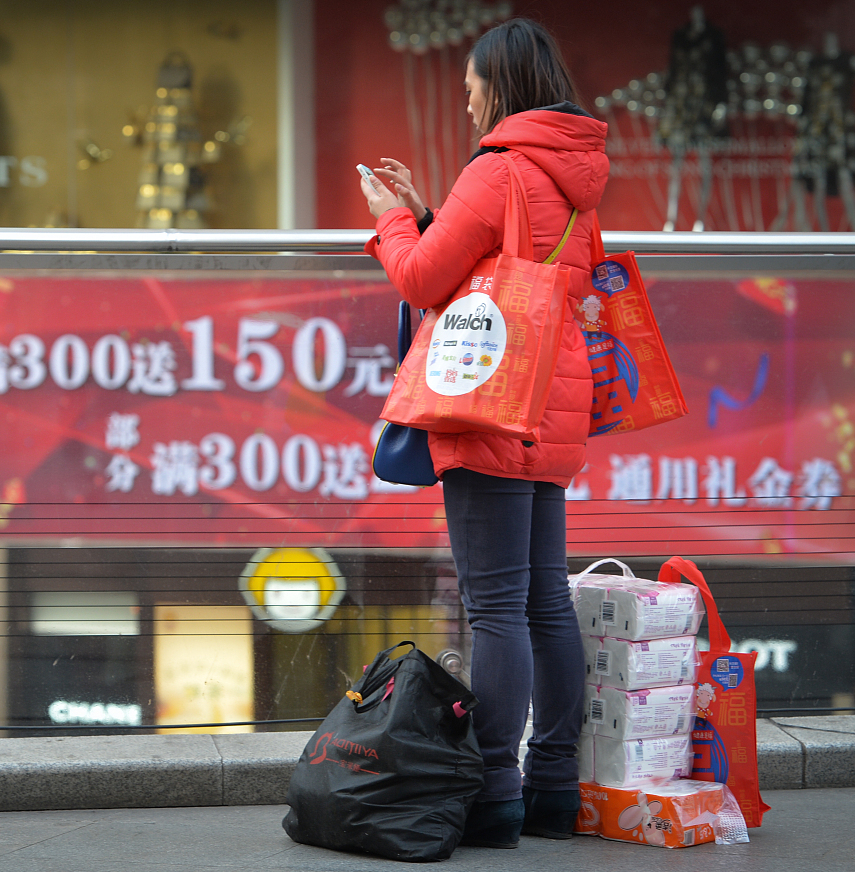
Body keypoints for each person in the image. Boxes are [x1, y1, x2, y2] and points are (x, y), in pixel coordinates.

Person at [359, 18, 608, 849]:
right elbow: (522, 264)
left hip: (491, 400)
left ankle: (494, 790)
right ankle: (555, 785)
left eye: (470, 88)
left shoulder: (499, 168)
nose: (465, 103)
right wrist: (435, 209)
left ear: (499, 87)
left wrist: (395, 220)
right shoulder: (573, 175)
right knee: (544, 602)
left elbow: (426, 278)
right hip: (554, 402)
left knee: (493, 606)